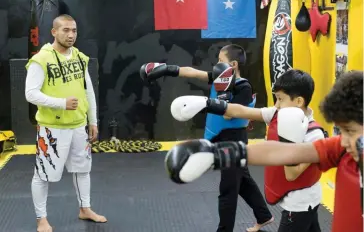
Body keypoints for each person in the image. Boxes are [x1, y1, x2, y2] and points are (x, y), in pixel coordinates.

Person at [166, 70, 363, 232]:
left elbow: (291, 173)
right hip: (300, 201)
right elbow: (279, 152)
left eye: (350, 131)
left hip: (301, 201)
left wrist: (290, 135)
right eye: (341, 131)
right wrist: (217, 154)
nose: (343, 140)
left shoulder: (314, 132)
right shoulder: (339, 146)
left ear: (299, 101)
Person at [140, 44, 273, 232]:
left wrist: (222, 95)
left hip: (233, 139)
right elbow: (193, 73)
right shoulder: (219, 77)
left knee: (228, 188)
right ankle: (264, 216)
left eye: (221, 60)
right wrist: (166, 70)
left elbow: (229, 114)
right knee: (242, 180)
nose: (216, 64)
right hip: (220, 137)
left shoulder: (243, 86)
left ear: (233, 64)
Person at [25, 14, 107, 232]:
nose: (71, 35)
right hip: (52, 129)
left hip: (79, 126)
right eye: (65, 30)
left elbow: (88, 91)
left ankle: (85, 209)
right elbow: (30, 94)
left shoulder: (80, 57)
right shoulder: (41, 59)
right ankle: (41, 219)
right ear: (54, 32)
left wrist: (93, 120)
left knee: (83, 170)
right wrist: (61, 103)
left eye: (74, 31)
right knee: (43, 175)